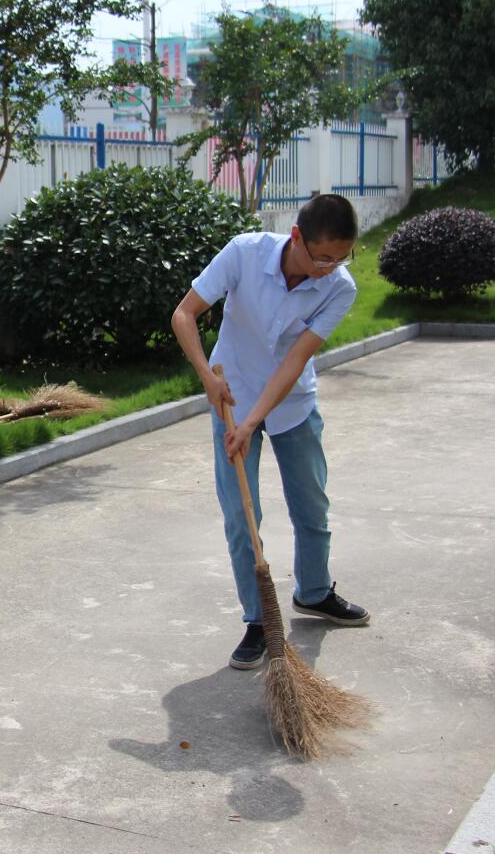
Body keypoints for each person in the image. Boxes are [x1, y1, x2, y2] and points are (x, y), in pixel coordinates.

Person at [170, 193, 370, 672]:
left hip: (291, 402)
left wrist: (256, 420)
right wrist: (207, 376)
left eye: (343, 258)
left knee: (312, 506)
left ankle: (315, 592)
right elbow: (184, 315)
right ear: (296, 236)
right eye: (324, 256)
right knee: (243, 516)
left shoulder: (339, 287)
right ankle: (258, 621)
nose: (331, 268)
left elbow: (295, 359)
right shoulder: (245, 253)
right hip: (232, 399)